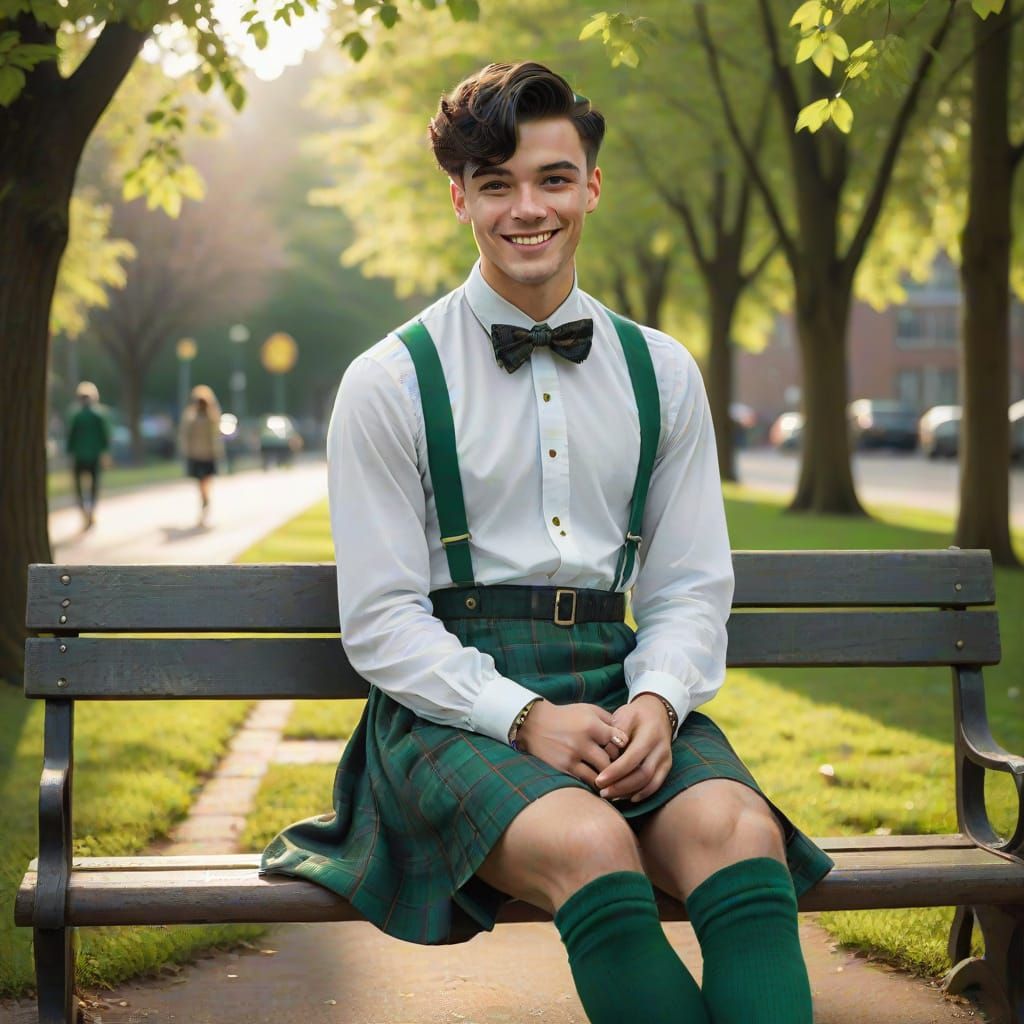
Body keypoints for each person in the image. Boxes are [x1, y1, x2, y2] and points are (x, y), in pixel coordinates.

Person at [262, 62, 833, 1023]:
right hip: (449, 708)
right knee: (589, 845)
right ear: (460, 198)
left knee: (739, 829)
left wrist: (659, 695)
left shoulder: (663, 371)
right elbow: (380, 622)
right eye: (497, 183)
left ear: (591, 187)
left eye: (553, 179)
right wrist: (525, 717)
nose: (528, 208)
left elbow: (691, 584)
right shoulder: (389, 381)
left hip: (618, 686)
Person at [65, 381, 110, 529]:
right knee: (94, 486)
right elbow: (105, 437)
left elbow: (70, 437)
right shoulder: (99, 415)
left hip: (79, 456)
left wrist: (69, 454)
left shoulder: (76, 416)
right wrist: (105, 453)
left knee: (79, 487)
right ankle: (91, 511)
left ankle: (84, 511)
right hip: (94, 455)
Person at [178, 384, 224, 525]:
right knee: (203, 482)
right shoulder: (192, 416)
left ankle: (205, 501)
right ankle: (205, 501)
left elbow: (216, 436)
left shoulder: (211, 417)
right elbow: (186, 435)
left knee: (204, 482)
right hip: (200, 455)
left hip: (205, 455)